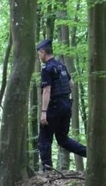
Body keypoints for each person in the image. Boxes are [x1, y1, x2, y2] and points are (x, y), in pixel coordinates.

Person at [36, 38, 86, 171]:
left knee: (44, 140)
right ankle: (89, 153)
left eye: (39, 54)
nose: (39, 57)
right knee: (62, 139)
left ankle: (47, 171)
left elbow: (46, 91)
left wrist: (43, 112)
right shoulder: (61, 66)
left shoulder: (47, 69)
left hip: (54, 107)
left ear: (43, 52)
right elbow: (72, 84)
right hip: (66, 105)